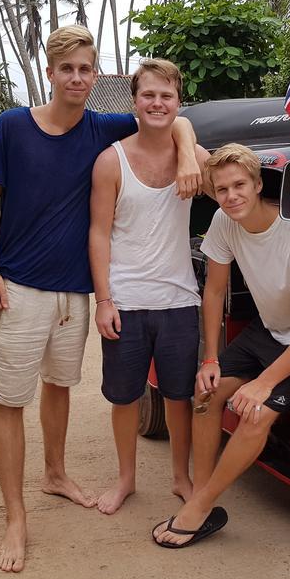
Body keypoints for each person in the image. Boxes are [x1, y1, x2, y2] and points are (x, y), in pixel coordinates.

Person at [0, 25, 200, 572]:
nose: (76, 78)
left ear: (96, 75)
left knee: (60, 388)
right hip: (21, 286)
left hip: (76, 293)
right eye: (66, 69)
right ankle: (15, 517)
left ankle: (55, 473)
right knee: (9, 399)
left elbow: (175, 116)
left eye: (85, 68)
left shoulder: (104, 127)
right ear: (50, 73)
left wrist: (190, 154)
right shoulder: (12, 127)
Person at [152, 143, 290, 548]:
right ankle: (202, 493)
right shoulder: (224, 221)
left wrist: (263, 384)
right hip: (265, 330)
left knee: (255, 412)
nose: (231, 196)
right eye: (222, 189)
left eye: (240, 185)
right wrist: (209, 357)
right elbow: (214, 291)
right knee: (205, 391)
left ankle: (200, 505)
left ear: (258, 184)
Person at [89, 59, 210, 515]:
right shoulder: (110, 161)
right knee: (124, 398)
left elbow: (234, 189)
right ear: (134, 101)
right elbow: (98, 232)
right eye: (149, 95)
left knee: (179, 396)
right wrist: (103, 300)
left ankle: (181, 477)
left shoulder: (193, 158)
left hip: (178, 299)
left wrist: (186, 146)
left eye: (167, 96)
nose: (157, 103)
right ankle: (126, 480)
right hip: (125, 300)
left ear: (178, 103)